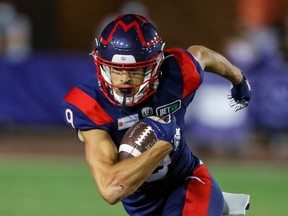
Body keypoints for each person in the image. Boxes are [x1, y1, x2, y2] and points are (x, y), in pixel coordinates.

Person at [63, 14, 251, 216]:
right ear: (102, 66)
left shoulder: (176, 73)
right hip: (143, 208)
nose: (125, 79)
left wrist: (238, 78)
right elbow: (110, 190)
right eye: (116, 70)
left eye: (136, 71)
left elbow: (202, 54)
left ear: (155, 66)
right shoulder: (91, 103)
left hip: (187, 183)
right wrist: (162, 144)